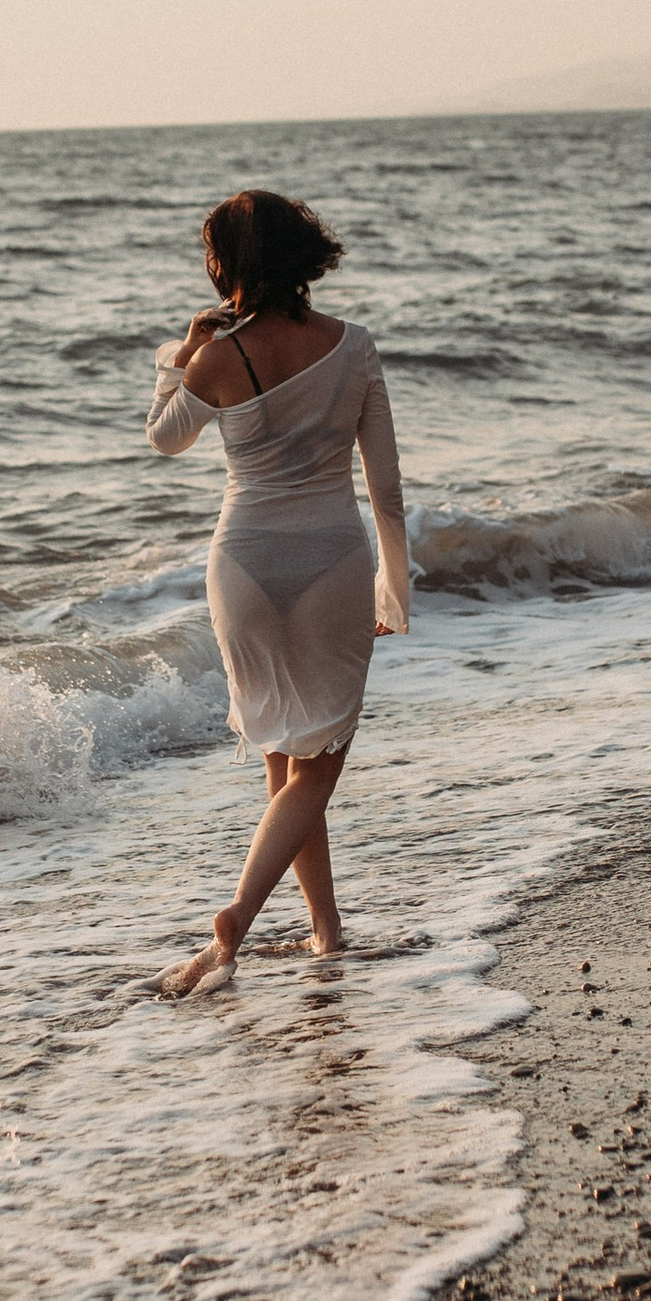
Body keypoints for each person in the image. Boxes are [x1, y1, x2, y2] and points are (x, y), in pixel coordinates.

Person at [147, 187, 408, 995]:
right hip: (331, 562)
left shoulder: (218, 356)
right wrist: (394, 583)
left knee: (283, 763)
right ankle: (238, 915)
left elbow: (163, 439)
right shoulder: (355, 347)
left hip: (244, 567)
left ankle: (326, 931)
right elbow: (387, 490)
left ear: (233, 265)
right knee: (316, 770)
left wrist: (177, 355)